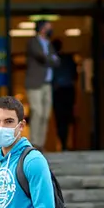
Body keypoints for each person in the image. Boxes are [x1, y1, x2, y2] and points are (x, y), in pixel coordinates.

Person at [25, 20, 60, 150]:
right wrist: (51, 58)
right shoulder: (33, 42)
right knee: (37, 112)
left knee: (46, 114)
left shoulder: (49, 44)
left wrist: (50, 58)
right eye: (48, 27)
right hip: (35, 83)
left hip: (47, 83)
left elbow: (57, 61)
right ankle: (33, 143)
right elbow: (42, 57)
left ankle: (40, 144)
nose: (51, 29)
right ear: (41, 28)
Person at [51, 39, 77, 151]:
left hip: (58, 91)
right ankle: (65, 143)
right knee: (66, 118)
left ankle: (63, 143)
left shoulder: (51, 61)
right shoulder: (68, 59)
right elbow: (75, 75)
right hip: (68, 90)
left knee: (60, 119)